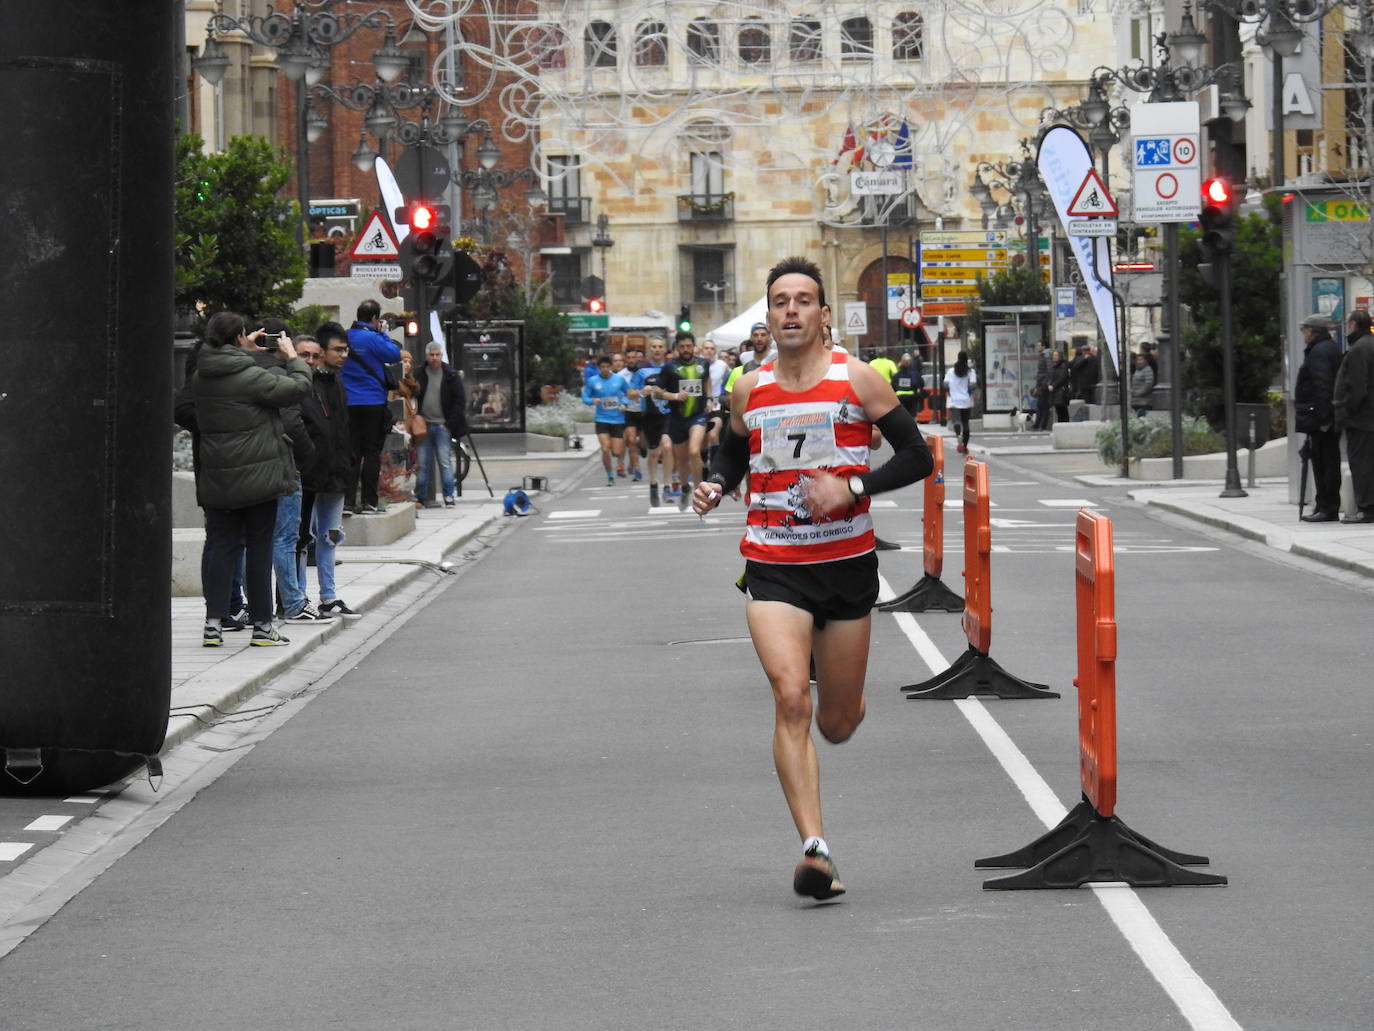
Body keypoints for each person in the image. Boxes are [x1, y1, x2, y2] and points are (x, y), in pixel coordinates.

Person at [691, 256, 933, 901]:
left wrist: (852, 485)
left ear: (824, 316)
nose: (791, 310)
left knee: (837, 723)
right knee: (789, 697)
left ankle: (841, 689)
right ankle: (815, 849)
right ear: (768, 317)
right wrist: (719, 481)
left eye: (804, 300)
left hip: (847, 568)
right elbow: (736, 445)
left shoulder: (856, 382)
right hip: (774, 566)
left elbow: (918, 456)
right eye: (780, 301)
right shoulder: (749, 387)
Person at [193, 311, 311, 648]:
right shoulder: (251, 376)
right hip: (258, 474)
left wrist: (243, 349)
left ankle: (213, 624)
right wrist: (292, 357)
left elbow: (226, 368)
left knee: (221, 548)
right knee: (259, 549)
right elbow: (298, 388)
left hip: (217, 475)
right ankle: (262, 627)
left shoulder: (202, 375)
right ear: (235, 338)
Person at [302, 322, 363, 619]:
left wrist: (347, 464)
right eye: (338, 350)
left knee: (329, 536)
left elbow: (341, 429)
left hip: (337, 471)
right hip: (311, 471)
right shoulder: (305, 383)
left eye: (346, 349)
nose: (344, 355)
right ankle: (298, 598)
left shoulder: (336, 382)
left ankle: (328, 596)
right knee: (303, 537)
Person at [341, 299, 402, 514]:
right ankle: (369, 502)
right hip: (373, 402)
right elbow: (394, 355)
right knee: (372, 453)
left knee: (352, 453)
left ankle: (347, 502)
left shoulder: (345, 337)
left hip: (348, 402)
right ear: (376, 318)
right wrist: (384, 334)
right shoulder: (374, 338)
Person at [1293, 313, 1344, 523]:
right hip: (1325, 415)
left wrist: (1323, 419)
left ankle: (1327, 507)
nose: (1303, 334)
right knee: (1325, 460)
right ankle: (1324, 504)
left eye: (1304, 330)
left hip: (1321, 418)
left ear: (1312, 331)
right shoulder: (1327, 349)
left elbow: (1323, 385)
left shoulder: (1319, 352)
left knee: (1325, 462)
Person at [659, 330, 713, 508]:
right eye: (682, 347)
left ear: (694, 347)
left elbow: (707, 381)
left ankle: (699, 491)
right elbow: (657, 392)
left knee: (694, 451)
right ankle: (684, 486)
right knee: (682, 460)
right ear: (677, 348)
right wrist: (674, 396)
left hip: (698, 416)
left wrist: (710, 399)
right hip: (677, 418)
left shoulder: (703, 364)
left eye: (689, 346)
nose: (686, 349)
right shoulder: (669, 367)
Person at [413, 340, 469, 507]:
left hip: (442, 425)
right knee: (423, 464)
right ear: (426, 356)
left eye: (437, 355)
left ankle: (448, 496)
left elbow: (460, 400)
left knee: (445, 462)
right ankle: (420, 497)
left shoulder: (450, 375)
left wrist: (449, 423)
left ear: (442, 355)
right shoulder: (419, 373)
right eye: (432, 355)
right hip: (423, 425)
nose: (435, 358)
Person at [1335, 309, 1374, 523]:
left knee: (1362, 464)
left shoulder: (1359, 349)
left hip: (1363, 419)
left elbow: (1357, 388)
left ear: (1352, 325)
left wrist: (1345, 412)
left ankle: (1367, 509)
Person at [632, 337, 673, 506]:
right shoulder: (641, 370)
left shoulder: (671, 368)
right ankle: (653, 483)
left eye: (660, 347)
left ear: (665, 349)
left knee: (668, 447)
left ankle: (667, 486)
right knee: (654, 453)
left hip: (669, 413)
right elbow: (630, 392)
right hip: (650, 414)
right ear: (649, 350)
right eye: (654, 347)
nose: (657, 349)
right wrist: (641, 392)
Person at [582, 355, 631, 486]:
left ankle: (617, 463)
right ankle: (609, 475)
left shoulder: (619, 379)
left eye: (607, 367)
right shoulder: (593, 381)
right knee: (605, 449)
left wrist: (624, 404)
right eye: (602, 367)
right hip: (601, 419)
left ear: (611, 367)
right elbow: (585, 396)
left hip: (617, 420)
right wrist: (591, 401)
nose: (605, 369)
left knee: (616, 452)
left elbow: (629, 393)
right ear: (598, 368)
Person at [944, 350, 978, 454]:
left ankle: (958, 436)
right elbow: (973, 385)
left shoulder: (951, 371)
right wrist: (967, 390)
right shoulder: (970, 372)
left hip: (954, 400)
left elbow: (945, 384)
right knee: (966, 422)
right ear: (966, 359)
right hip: (966, 401)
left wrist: (950, 391)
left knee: (957, 421)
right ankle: (965, 445)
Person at [892, 352, 922, 416]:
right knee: (912, 415)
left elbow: (893, 385)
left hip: (899, 397)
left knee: (901, 415)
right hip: (911, 397)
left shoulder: (897, 375)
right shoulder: (914, 373)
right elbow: (920, 383)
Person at [1048, 348, 1072, 425]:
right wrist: (1049, 384)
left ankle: (1064, 425)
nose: (1054, 357)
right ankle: (1061, 425)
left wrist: (1053, 385)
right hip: (1055, 391)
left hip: (1061, 391)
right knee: (1059, 409)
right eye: (1054, 355)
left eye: (1056, 355)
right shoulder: (1054, 366)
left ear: (1060, 356)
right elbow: (1051, 376)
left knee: (1062, 409)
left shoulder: (1063, 365)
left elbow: (1062, 378)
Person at [1032, 341, 1052, 430]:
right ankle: (1038, 424)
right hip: (1041, 383)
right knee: (1040, 405)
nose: (1037, 347)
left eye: (1038, 345)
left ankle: (1041, 425)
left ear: (1043, 346)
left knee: (1043, 405)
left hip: (1044, 384)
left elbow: (1048, 370)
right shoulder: (1042, 355)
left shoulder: (1046, 356)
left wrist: (1045, 383)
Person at [1129, 351, 1155, 418]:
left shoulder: (1148, 370)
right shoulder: (1137, 370)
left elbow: (1148, 384)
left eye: (1141, 360)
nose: (1139, 361)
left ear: (1145, 361)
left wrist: (1139, 393)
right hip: (1136, 401)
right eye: (1138, 360)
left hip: (1144, 402)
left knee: (1142, 418)